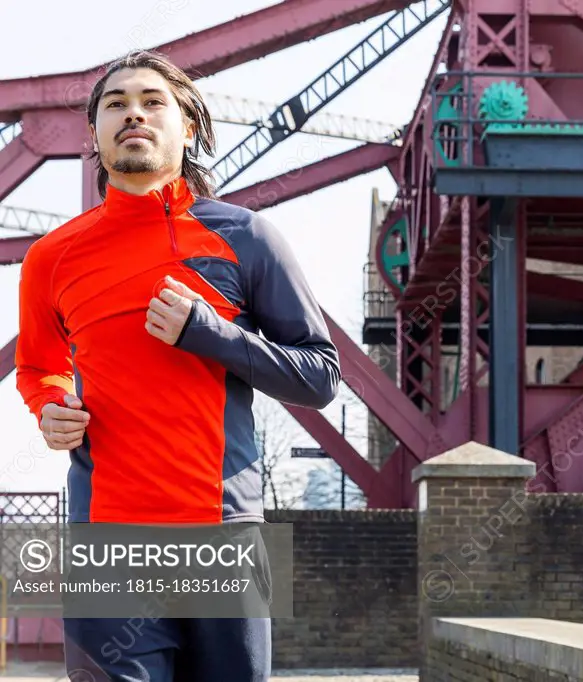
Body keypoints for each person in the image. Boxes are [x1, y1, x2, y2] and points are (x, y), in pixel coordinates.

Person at [15, 50, 341, 681]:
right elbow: (38, 367)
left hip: (223, 533)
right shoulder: (51, 257)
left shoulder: (247, 237)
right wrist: (50, 407)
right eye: (115, 104)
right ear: (95, 134)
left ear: (188, 126)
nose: (133, 112)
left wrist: (211, 334)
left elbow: (321, 376)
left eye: (151, 100)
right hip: (106, 539)